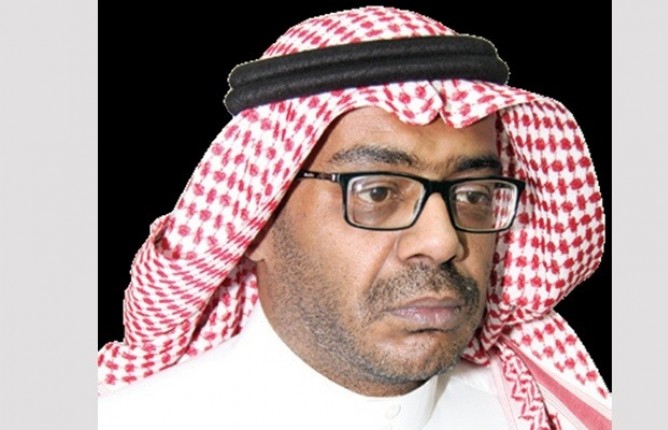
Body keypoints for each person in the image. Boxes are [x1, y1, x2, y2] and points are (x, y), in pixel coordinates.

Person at [97, 6, 611, 429]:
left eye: (474, 194)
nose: (442, 241)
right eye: (378, 191)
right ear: (258, 219)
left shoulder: (536, 412)